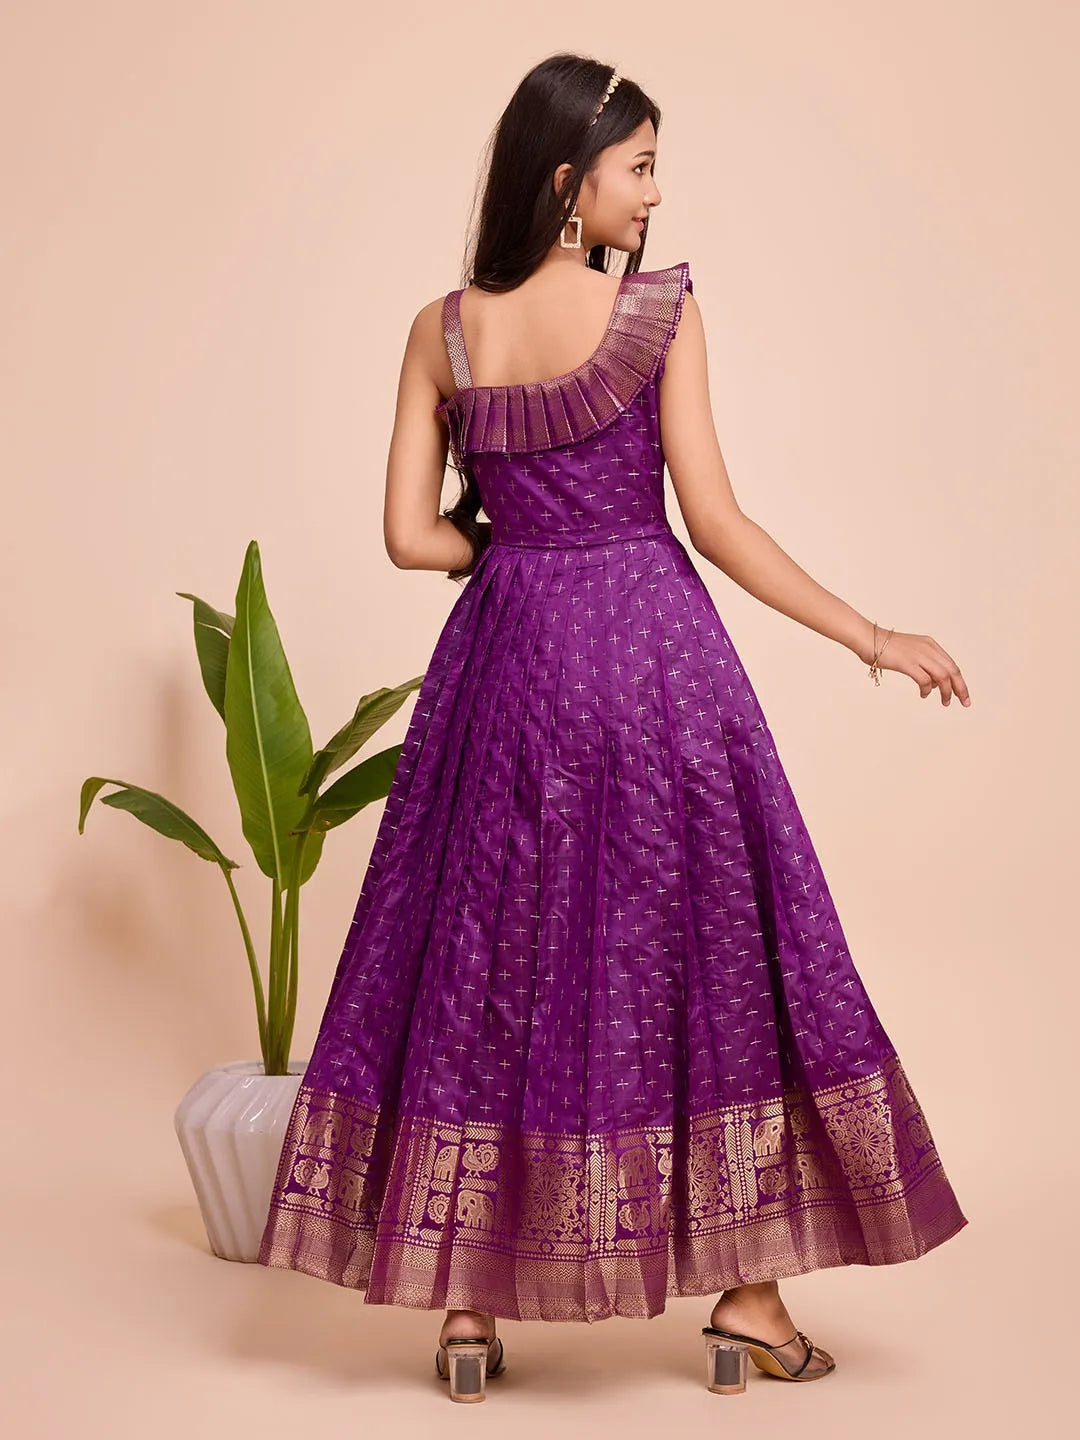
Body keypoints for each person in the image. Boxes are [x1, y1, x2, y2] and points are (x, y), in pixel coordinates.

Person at [257, 52, 971, 1403]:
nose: (652, 195)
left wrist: (508, 546)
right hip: (655, 669)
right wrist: (871, 636)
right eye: (637, 168)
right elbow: (717, 522)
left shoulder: (443, 331)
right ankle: (748, 1297)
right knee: (704, 960)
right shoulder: (656, 316)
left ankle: (467, 1305)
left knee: (487, 962)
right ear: (565, 181)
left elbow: (409, 536)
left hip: (506, 674)